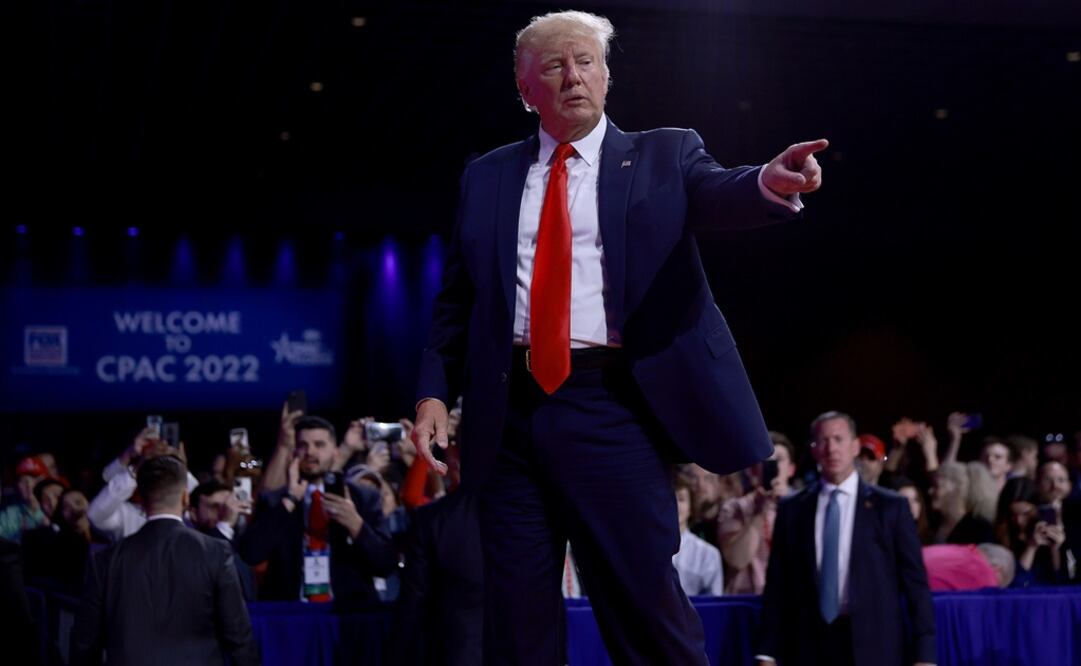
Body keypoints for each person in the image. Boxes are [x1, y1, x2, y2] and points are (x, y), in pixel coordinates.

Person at [410, 10, 826, 663]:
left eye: (585, 61)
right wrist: (432, 393)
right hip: (505, 418)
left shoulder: (664, 153)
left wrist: (767, 184)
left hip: (610, 408)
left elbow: (718, 191)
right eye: (553, 65)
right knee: (514, 624)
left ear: (605, 76)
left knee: (643, 610)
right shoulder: (486, 175)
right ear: (525, 88)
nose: (572, 75)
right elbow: (457, 298)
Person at [758, 411, 935, 666]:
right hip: (809, 646)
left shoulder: (890, 507)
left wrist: (925, 654)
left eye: (839, 439)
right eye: (824, 441)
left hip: (876, 646)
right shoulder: (793, 509)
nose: (832, 448)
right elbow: (778, 585)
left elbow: (915, 584)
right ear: (814, 450)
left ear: (854, 446)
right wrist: (767, 651)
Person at [72, 455, 259, 666]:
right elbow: (239, 637)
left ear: (140, 500)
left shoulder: (105, 560)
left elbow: (84, 644)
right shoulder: (215, 552)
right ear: (186, 499)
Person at [238, 415, 397, 608]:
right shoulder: (275, 501)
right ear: (294, 452)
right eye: (303, 445)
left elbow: (385, 565)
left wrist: (356, 524)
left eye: (319, 445)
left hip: (347, 616)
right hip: (290, 615)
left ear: (336, 452)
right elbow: (250, 554)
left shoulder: (364, 498)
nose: (310, 452)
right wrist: (289, 500)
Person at [717, 438, 795, 594]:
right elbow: (737, 560)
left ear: (791, 468)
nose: (773, 466)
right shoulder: (734, 508)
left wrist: (789, 505)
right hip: (745, 599)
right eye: (766, 460)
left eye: (779, 459)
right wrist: (758, 513)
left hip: (789, 601)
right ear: (754, 468)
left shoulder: (803, 508)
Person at [673, 475, 724, 596]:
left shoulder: (708, 554)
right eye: (670, 499)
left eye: (681, 499)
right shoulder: (647, 549)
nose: (675, 505)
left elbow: (713, 601)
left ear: (691, 507)